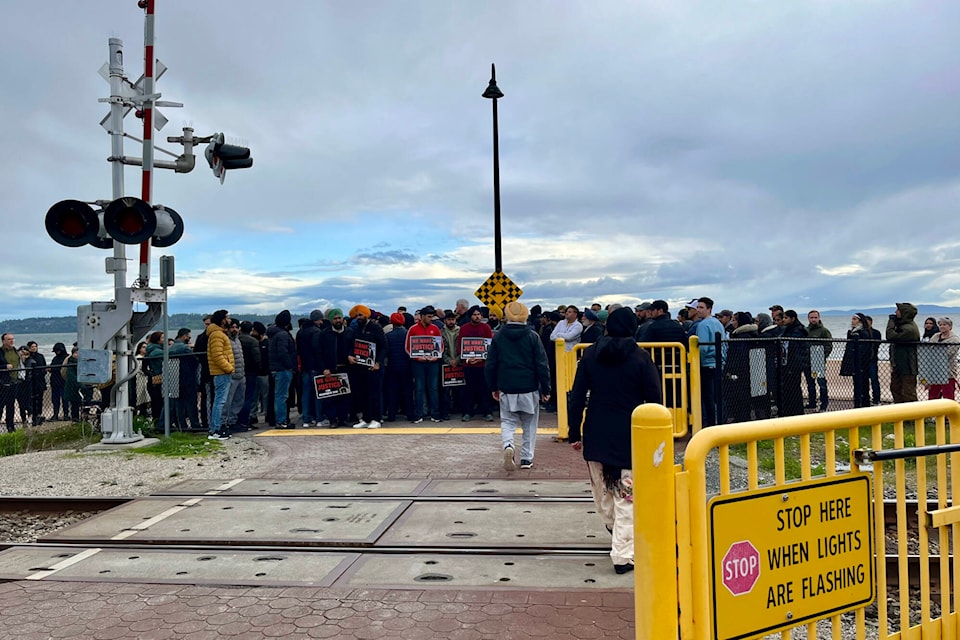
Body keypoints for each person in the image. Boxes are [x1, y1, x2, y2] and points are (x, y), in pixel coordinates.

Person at [567, 306, 661, 575]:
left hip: (596, 431)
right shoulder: (641, 358)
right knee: (626, 497)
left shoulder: (590, 355)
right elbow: (654, 399)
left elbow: (577, 397)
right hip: (630, 434)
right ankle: (622, 554)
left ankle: (615, 530)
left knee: (604, 495)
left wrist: (575, 432)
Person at [484, 301, 551, 471]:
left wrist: (493, 387)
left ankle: (508, 446)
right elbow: (542, 364)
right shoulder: (533, 336)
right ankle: (526, 458)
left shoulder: (498, 336)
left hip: (507, 386)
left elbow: (491, 364)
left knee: (507, 421)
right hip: (529, 387)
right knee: (529, 424)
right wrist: (546, 388)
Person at [348, 305, 387, 429]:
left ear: (366, 315)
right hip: (360, 367)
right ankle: (366, 418)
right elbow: (352, 346)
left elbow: (384, 347)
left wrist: (378, 363)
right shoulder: (356, 329)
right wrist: (349, 356)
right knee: (362, 393)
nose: (358, 318)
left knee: (374, 394)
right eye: (357, 315)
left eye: (361, 315)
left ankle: (376, 418)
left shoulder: (376, 328)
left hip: (374, 367)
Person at [406, 305, 443, 424]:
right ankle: (418, 414)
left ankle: (435, 414)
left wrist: (436, 356)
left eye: (432, 316)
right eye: (429, 317)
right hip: (418, 363)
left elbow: (440, 345)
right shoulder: (413, 329)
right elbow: (407, 347)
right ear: (422, 317)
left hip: (433, 363)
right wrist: (417, 357)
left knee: (433, 388)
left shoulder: (435, 328)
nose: (431, 319)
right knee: (419, 388)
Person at [459, 305, 494, 422]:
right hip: (468, 365)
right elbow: (460, 346)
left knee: (484, 389)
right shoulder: (463, 328)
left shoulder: (486, 328)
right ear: (470, 316)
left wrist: (481, 359)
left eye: (478, 314)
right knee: (468, 389)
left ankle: (487, 412)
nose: (477, 316)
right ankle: (468, 412)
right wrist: (467, 359)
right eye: (474, 314)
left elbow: (490, 347)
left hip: (483, 365)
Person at [694, 297, 725, 426]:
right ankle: (721, 423)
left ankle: (711, 426)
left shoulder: (702, 325)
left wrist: (695, 363)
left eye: (701, 307)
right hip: (718, 364)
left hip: (706, 365)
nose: (698, 310)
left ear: (709, 309)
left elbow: (702, 349)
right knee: (718, 398)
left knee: (708, 399)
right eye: (698, 307)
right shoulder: (718, 323)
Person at [206, 309, 235, 440]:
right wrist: (229, 368)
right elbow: (217, 355)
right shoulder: (217, 335)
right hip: (222, 372)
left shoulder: (218, 334)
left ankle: (217, 428)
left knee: (220, 401)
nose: (229, 320)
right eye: (227, 317)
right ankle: (215, 430)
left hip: (222, 372)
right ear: (222, 320)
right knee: (220, 402)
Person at [267, 310, 298, 428]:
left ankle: (280, 420)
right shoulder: (283, 335)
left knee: (278, 395)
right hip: (283, 369)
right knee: (282, 396)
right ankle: (281, 421)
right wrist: (290, 366)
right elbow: (283, 353)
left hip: (275, 368)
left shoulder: (273, 334)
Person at [886, 303, 920, 404]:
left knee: (908, 392)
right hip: (899, 363)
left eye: (898, 310)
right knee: (896, 389)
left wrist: (891, 321)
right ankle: (900, 415)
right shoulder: (904, 326)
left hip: (907, 365)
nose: (895, 312)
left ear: (904, 313)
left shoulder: (909, 329)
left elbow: (890, 336)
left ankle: (912, 417)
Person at [168, 328, 200, 431]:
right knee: (191, 403)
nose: (189, 338)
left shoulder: (171, 348)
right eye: (189, 336)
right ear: (185, 336)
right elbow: (194, 361)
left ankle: (182, 425)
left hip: (174, 378)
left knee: (179, 404)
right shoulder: (184, 348)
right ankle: (195, 424)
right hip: (188, 377)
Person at [839, 313, 873, 408]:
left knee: (863, 384)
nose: (852, 321)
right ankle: (858, 403)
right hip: (855, 363)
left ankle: (863, 404)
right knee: (857, 384)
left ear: (860, 321)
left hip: (862, 364)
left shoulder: (863, 333)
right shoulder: (853, 332)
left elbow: (864, 350)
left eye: (854, 319)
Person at [803, 310, 833, 412]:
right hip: (807, 360)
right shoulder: (806, 330)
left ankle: (823, 405)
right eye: (811, 317)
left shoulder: (824, 331)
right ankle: (812, 402)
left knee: (821, 383)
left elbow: (829, 346)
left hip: (818, 359)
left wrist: (822, 356)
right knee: (810, 383)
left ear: (819, 318)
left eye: (815, 317)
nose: (813, 319)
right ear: (808, 318)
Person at [926, 318, 960, 400]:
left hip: (948, 371)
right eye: (940, 325)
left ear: (950, 326)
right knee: (933, 395)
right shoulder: (935, 336)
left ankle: (949, 412)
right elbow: (928, 350)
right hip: (934, 371)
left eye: (944, 325)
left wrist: (934, 353)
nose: (942, 326)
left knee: (948, 394)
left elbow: (949, 353)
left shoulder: (954, 339)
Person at [864, 316, 883, 404]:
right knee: (864, 380)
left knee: (874, 380)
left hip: (872, 359)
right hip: (863, 360)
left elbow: (876, 345)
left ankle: (876, 399)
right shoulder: (861, 333)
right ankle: (865, 398)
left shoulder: (876, 333)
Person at [49, 342, 68, 421]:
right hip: (55, 382)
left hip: (64, 382)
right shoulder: (55, 358)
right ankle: (55, 414)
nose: (57, 352)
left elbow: (64, 369)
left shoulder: (67, 358)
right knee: (55, 400)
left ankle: (66, 414)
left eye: (58, 351)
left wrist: (53, 369)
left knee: (65, 399)